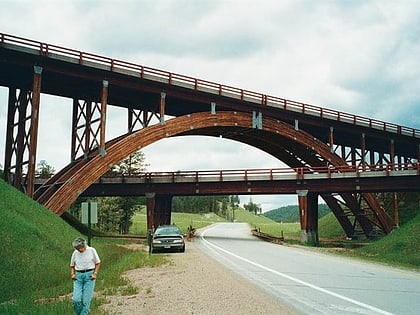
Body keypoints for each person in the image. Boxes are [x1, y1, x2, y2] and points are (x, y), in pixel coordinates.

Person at [70, 237, 101, 315]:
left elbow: (98, 263)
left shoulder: (91, 250)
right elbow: (72, 265)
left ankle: (84, 313)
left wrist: (95, 273)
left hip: (89, 275)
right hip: (78, 276)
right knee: (76, 299)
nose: (80, 250)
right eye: (78, 248)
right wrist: (73, 274)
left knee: (85, 301)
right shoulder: (75, 253)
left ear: (85, 245)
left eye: (81, 248)